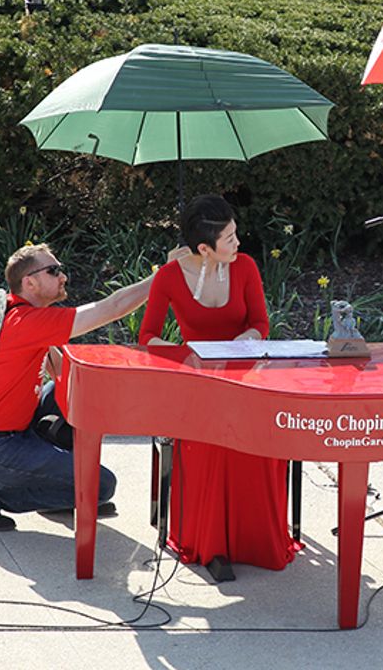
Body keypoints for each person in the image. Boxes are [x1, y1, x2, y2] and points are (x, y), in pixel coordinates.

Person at [0, 241, 185, 531]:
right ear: (30, 282)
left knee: (64, 391)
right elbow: (110, 308)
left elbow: (64, 373)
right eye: (54, 271)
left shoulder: (25, 316)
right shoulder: (25, 322)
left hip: (10, 435)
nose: (63, 276)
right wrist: (162, 275)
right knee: (100, 486)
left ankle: (61, 488)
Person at [138, 194, 296, 573]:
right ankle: (210, 543)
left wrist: (246, 342)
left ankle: (255, 541)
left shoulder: (246, 267)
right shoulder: (169, 277)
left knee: (261, 441)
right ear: (204, 248)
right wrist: (184, 354)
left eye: (236, 234)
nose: (238, 243)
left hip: (244, 377)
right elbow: (147, 336)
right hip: (197, 381)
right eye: (229, 238)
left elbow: (260, 322)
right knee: (208, 445)